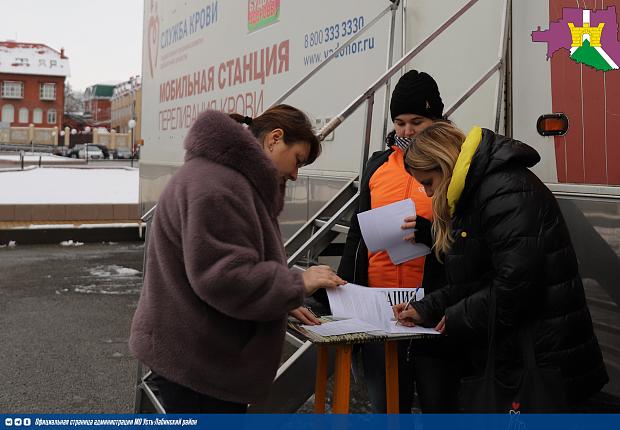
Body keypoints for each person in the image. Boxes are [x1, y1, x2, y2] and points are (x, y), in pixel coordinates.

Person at [129, 105, 345, 413]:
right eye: (297, 160)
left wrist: (281, 297)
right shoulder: (219, 186)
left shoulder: (221, 177)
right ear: (274, 139)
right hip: (203, 367)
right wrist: (298, 281)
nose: (296, 175)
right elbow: (224, 277)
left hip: (196, 356)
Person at [396, 122, 609, 409]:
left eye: (429, 182)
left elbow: (516, 285)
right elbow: (475, 279)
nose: (430, 194)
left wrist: (457, 316)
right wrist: (427, 307)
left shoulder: (502, 190)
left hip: (542, 359)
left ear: (445, 164)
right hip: (524, 354)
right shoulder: (479, 190)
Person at [336, 70, 460, 413]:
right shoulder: (378, 166)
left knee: (442, 408)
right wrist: (345, 292)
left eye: (417, 121)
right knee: (388, 409)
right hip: (381, 310)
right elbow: (356, 236)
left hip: (433, 307)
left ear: (436, 119)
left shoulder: (454, 165)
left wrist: (429, 233)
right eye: (400, 122)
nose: (406, 131)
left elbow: (467, 241)